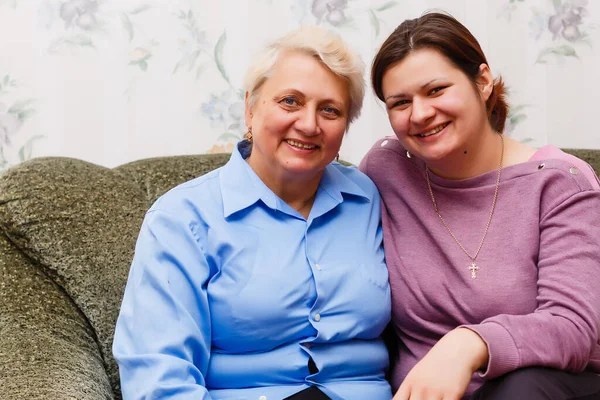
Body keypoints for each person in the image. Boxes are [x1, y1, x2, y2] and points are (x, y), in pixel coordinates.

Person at [113, 26, 392, 400]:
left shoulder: (369, 198)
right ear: (250, 107)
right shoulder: (183, 218)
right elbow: (159, 378)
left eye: (330, 110)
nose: (309, 124)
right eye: (290, 101)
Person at [360, 11, 600, 400]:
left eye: (436, 90)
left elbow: (572, 328)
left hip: (543, 388)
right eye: (400, 102)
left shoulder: (560, 182)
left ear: (483, 81)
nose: (420, 114)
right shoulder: (386, 171)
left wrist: (470, 344)